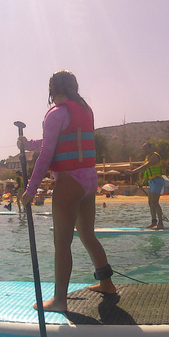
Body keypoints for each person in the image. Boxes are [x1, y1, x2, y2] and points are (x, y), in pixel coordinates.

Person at [19, 70, 116, 312]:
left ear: (52, 91)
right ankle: (107, 283)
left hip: (69, 181)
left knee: (62, 243)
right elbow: (59, 140)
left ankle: (60, 300)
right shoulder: (84, 110)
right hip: (88, 180)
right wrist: (28, 144)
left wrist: (31, 189)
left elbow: (46, 155)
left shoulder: (55, 113)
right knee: (87, 235)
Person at [131, 141, 164, 229]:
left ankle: (160, 223)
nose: (144, 150)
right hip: (152, 181)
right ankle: (154, 222)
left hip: (157, 181)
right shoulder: (147, 157)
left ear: (150, 148)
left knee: (155, 202)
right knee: (150, 202)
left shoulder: (154, 156)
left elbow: (146, 166)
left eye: (145, 148)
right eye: (143, 149)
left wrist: (133, 171)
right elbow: (147, 171)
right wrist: (143, 182)